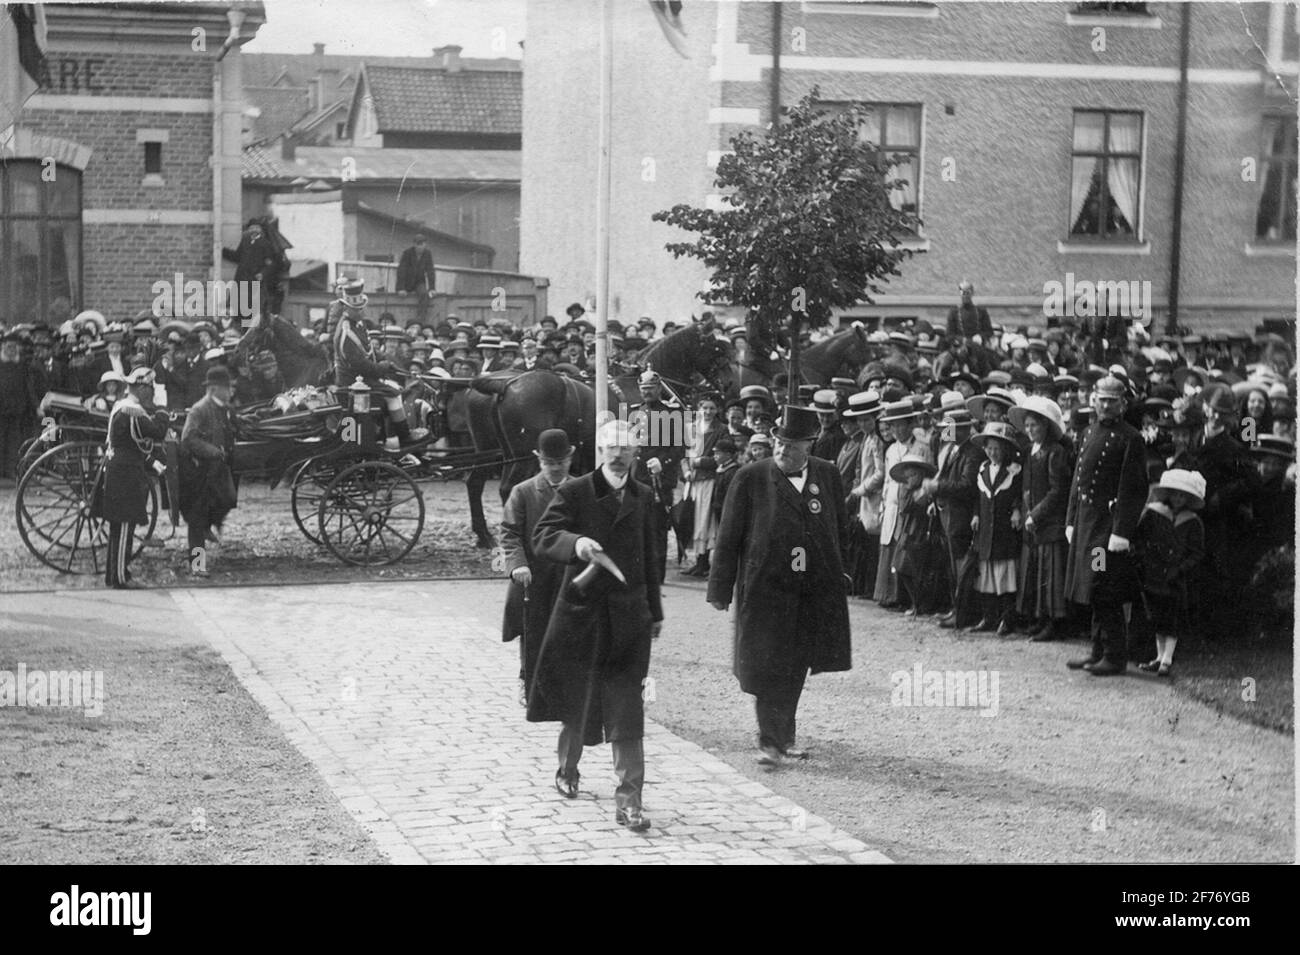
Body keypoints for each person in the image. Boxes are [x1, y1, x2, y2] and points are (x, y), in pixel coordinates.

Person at [527, 419, 664, 832]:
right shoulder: (575, 491)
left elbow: (651, 559)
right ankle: (567, 769)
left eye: (625, 448)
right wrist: (576, 544)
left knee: (627, 709)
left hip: (629, 621)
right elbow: (543, 535)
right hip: (582, 617)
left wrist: (654, 611)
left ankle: (630, 801)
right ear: (600, 451)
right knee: (578, 702)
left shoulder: (644, 497)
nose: (618, 455)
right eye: (611, 448)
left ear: (636, 453)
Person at [707, 405, 852, 767]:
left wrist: (841, 572)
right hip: (766, 589)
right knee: (766, 665)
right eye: (778, 442)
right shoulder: (751, 477)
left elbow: (839, 526)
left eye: (791, 445)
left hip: (811, 590)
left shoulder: (827, 474)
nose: (782, 451)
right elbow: (728, 536)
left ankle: (784, 736)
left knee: (796, 664)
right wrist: (720, 588)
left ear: (809, 445)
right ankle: (768, 740)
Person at [1064, 375, 1150, 676]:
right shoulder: (1088, 432)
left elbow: (1134, 489)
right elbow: (1078, 480)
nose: (1105, 405)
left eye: (1112, 401)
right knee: (1090, 586)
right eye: (1101, 399)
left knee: (1103, 588)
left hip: (1106, 528)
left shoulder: (1131, 438)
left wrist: (1121, 531)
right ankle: (1098, 650)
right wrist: (1071, 519)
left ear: (1123, 404)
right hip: (1086, 524)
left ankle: (1114, 655)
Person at [501, 429, 575, 708]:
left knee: (571, 631)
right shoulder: (523, 492)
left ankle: (568, 688)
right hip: (534, 576)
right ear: (538, 459)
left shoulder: (581, 489)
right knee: (532, 633)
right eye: (548, 463)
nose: (555, 469)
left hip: (570, 575)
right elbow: (509, 533)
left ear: (571, 457)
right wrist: (518, 565)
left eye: (560, 463)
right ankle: (528, 683)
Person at [95, 367, 170, 589]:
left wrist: (150, 462)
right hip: (125, 475)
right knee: (124, 526)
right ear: (141, 388)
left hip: (121, 469)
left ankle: (116, 574)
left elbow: (130, 444)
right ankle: (119, 578)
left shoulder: (123, 407)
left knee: (120, 528)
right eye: (150, 388)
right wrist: (163, 408)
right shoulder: (131, 411)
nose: (152, 392)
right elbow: (157, 430)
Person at [1007, 396, 1071, 641]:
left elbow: (1058, 490)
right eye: (1027, 425)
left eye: (1035, 425)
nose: (1030, 430)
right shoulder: (1028, 451)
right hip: (1031, 522)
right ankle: (1039, 618)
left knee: (1051, 574)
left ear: (1046, 426)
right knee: (1035, 573)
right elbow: (1022, 485)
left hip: (1050, 522)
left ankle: (1054, 623)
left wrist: (1036, 513)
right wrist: (1021, 510)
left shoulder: (1055, 452)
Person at [1134, 469, 1206, 678]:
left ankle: (1167, 659)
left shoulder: (1192, 521)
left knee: (1172, 617)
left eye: (1183, 495)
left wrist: (1181, 568)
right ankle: (1158, 656)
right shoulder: (1153, 513)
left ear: (1189, 499)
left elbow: (1197, 552)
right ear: (1168, 494)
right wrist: (1145, 559)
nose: (1178, 499)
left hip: (1176, 577)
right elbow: (1139, 538)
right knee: (1156, 616)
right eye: (1174, 494)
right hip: (1154, 573)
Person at [925, 404, 982, 628]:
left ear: (964, 430)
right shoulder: (953, 449)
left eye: (951, 428)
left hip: (961, 515)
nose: (947, 432)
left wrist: (937, 487)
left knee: (961, 566)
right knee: (953, 565)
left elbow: (967, 485)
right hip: (948, 514)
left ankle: (963, 612)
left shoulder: (972, 452)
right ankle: (955, 609)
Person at [180, 365, 239, 577]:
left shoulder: (223, 407)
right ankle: (197, 566)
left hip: (216, 472)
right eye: (227, 387)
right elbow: (188, 439)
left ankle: (209, 524)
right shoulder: (200, 409)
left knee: (229, 498)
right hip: (198, 474)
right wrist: (213, 451)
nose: (230, 391)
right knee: (196, 520)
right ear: (214, 389)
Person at [969, 421, 1024, 634]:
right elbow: (978, 497)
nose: (993, 453)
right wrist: (975, 514)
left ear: (1006, 449)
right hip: (986, 530)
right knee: (986, 576)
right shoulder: (982, 469)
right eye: (990, 448)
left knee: (1005, 576)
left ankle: (1006, 619)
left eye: (998, 449)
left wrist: (1018, 509)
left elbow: (1019, 494)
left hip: (1003, 530)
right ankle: (988, 617)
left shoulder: (1014, 470)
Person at [681, 393, 725, 577]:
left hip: (708, 480)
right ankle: (697, 561)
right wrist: (686, 471)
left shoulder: (721, 429)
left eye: (711, 408)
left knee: (704, 521)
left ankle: (704, 562)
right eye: (704, 408)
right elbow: (683, 455)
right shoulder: (690, 428)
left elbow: (721, 456)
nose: (707, 412)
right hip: (692, 481)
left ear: (717, 410)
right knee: (691, 518)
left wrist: (698, 462)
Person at [396, 235, 436, 324]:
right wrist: (400, 288)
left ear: (425, 244)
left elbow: (430, 271)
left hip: (419, 282)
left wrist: (432, 288)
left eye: (422, 244)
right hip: (407, 282)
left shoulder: (427, 254)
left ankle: (421, 319)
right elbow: (401, 270)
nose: (420, 247)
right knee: (400, 298)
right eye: (418, 244)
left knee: (424, 294)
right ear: (414, 244)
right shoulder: (407, 253)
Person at [946, 280, 994, 344]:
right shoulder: (954, 312)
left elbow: (989, 332)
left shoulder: (981, 311)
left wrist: (980, 337)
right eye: (963, 293)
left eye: (968, 293)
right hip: (960, 346)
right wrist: (962, 340)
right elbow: (949, 335)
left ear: (972, 294)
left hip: (978, 345)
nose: (965, 296)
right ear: (960, 294)